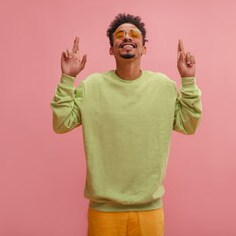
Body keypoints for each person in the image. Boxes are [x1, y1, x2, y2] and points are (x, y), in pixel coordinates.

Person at [50, 13, 202, 236]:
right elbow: (61, 123)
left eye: (134, 35)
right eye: (120, 35)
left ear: (144, 48)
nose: (127, 37)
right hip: (104, 213)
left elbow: (189, 125)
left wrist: (188, 80)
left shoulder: (163, 87)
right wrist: (67, 79)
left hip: (149, 212)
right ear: (111, 48)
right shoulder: (91, 86)